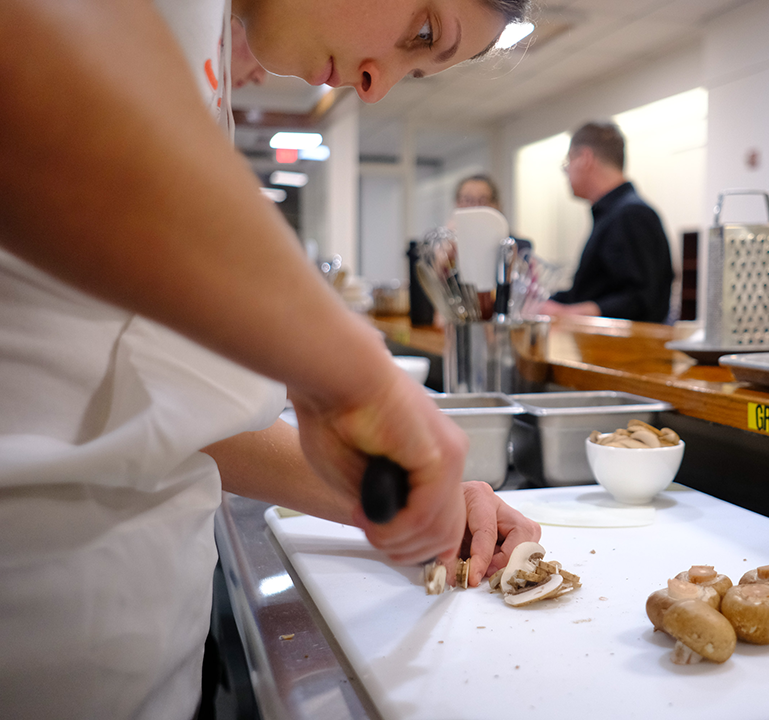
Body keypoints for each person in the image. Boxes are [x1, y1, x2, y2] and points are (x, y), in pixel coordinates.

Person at [0, 1, 536, 718]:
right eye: (424, 32)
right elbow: (35, 57)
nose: (378, 86)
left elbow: (176, 408)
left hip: (122, 662)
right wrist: (346, 372)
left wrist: (393, 501)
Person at [540, 121, 674, 323]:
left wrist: (568, 313)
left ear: (585, 158)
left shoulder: (631, 214)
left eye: (567, 164)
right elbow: (594, 293)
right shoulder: (614, 214)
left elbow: (642, 300)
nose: (567, 173)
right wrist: (546, 303)